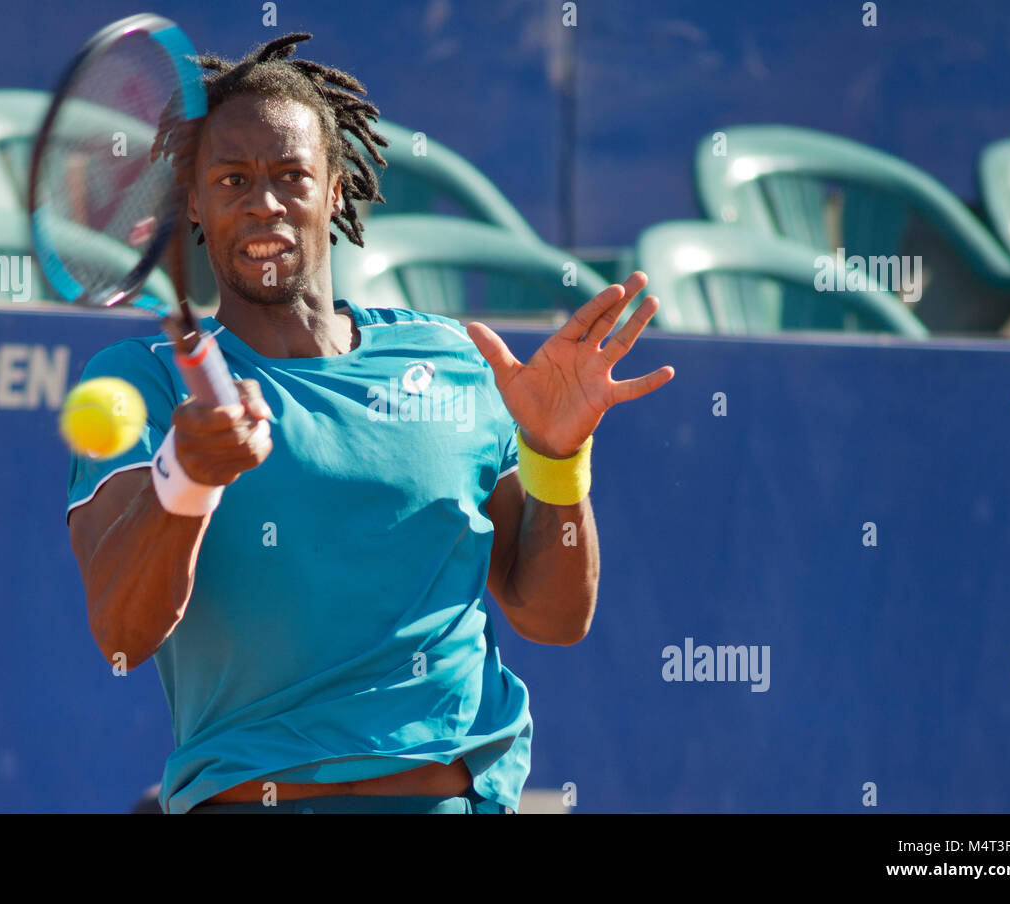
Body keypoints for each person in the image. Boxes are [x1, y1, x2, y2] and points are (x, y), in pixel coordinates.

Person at [66, 32, 673, 814]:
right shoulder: (142, 383)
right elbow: (122, 634)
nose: (264, 202)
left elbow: (555, 616)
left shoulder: (450, 356)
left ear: (336, 189)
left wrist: (558, 456)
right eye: (232, 179)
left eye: (292, 176)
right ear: (191, 198)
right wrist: (189, 478)